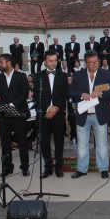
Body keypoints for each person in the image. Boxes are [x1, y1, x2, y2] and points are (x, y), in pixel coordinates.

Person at [68, 50, 110, 179]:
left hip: (99, 114)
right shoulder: (78, 75)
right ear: (86, 63)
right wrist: (81, 94)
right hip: (83, 114)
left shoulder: (106, 74)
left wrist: (100, 94)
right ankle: (81, 169)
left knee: (102, 143)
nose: (94, 64)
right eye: (91, 62)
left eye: (96, 62)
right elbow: (70, 91)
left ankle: (103, 168)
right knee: (82, 144)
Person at [34, 50, 69, 178]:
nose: (53, 63)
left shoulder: (62, 75)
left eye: (55, 60)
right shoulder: (38, 76)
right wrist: (48, 108)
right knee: (44, 142)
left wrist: (56, 108)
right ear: (44, 62)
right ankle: (48, 167)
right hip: (44, 114)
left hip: (58, 114)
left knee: (59, 141)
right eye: (50, 60)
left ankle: (58, 167)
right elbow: (36, 96)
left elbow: (64, 94)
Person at [0, 53, 30, 176]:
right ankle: (7, 168)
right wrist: (4, 106)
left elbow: (24, 93)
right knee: (5, 143)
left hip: (19, 114)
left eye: (1, 62)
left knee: (22, 141)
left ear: (8, 62)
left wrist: (12, 105)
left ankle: (25, 167)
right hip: (4, 115)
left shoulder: (21, 76)